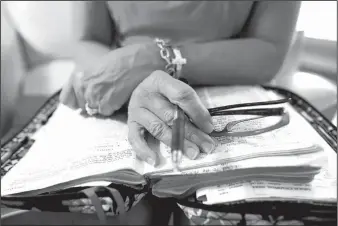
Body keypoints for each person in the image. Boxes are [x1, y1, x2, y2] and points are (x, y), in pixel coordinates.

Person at [58, 1, 300, 223]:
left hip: (224, 85)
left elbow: (269, 50)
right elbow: (87, 40)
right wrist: (125, 79)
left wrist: (158, 58)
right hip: (120, 87)